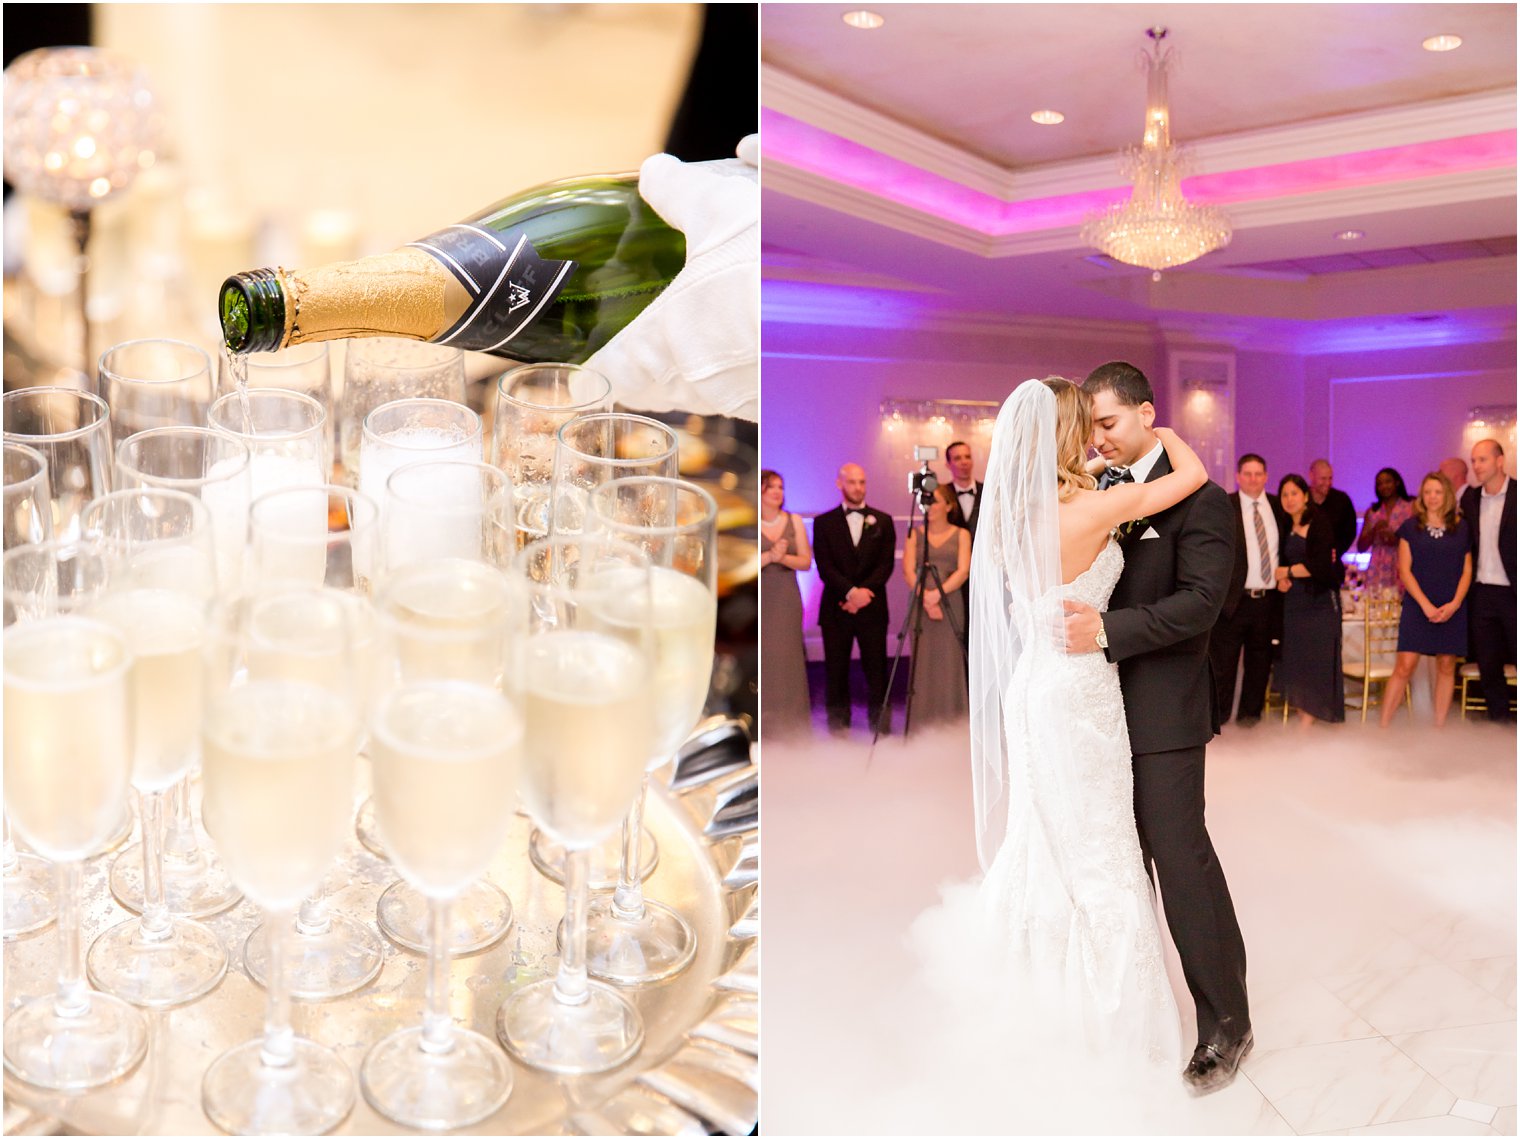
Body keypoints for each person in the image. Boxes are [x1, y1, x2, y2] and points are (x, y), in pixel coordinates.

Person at [1061, 361, 1251, 1093]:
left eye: (1108, 423)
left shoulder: (1203, 499)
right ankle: (1133, 1014)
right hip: (1096, 714)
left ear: (1145, 413)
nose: (1100, 439)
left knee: (1180, 860)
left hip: (1165, 710)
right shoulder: (1095, 491)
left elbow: (1203, 604)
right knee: (1116, 867)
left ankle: (1226, 1021)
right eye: (1091, 428)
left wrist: (1106, 629)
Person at [1381, 473, 1473, 727]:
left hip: (1452, 606)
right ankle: (1383, 728)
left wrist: (1454, 604)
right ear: (1422, 496)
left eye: (1438, 492)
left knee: (1446, 665)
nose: (1432, 497)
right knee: (1404, 665)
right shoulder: (1411, 527)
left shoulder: (1461, 527)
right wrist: (1425, 605)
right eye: (1428, 492)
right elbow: (1404, 570)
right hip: (1417, 605)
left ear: (1447, 495)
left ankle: (1438, 728)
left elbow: (1467, 570)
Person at [812, 463, 896, 736]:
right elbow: (825, 568)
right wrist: (850, 593)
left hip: (872, 609)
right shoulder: (823, 522)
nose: (858, 488)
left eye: (862, 482)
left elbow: (885, 566)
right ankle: (838, 727)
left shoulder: (882, 520)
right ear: (840, 484)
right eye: (852, 482)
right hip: (837, 608)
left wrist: (863, 595)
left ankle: (880, 727)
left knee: (877, 670)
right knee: (836, 671)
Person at [1208, 453, 1287, 728]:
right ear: (1238, 477)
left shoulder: (1279, 507)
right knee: (1223, 664)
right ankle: (1219, 720)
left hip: (1267, 601)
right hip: (1233, 601)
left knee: (1260, 663)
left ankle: (1250, 720)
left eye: (1258, 474)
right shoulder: (1224, 505)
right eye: (1248, 474)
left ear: (1266, 477)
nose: (1253, 479)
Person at [1274, 474, 1346, 724]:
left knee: (1319, 660)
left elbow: (1321, 565)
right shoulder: (1284, 524)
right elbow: (1281, 563)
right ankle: (1305, 717)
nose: (1289, 499)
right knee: (1298, 660)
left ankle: (1311, 721)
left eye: (1294, 493)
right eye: (1284, 494)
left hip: (1320, 603)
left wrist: (1288, 572)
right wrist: (1282, 578)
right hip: (1294, 603)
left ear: (1305, 496)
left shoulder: (1319, 521)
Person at [902, 483, 970, 731]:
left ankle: (953, 720)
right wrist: (926, 597)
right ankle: (922, 721)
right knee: (923, 659)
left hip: (950, 600)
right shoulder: (915, 534)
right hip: (920, 602)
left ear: (949, 506)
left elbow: (964, 570)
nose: (930, 506)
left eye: (936, 501)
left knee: (949, 659)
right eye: (927, 501)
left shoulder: (961, 534)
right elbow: (908, 571)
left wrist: (938, 595)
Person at [1460, 439, 1516, 723]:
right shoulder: (1469, 499)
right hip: (1481, 593)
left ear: (1499, 461)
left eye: (1482, 460)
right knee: (1488, 663)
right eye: (1473, 461)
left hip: (1513, 591)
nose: (1476, 466)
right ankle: (1501, 725)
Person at [759, 469, 814, 739]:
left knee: (789, 656)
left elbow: (805, 561)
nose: (778, 492)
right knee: (765, 657)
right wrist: (769, 556)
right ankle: (764, 722)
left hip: (786, 596)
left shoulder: (794, 520)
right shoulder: (750, 520)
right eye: (771, 487)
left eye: (781, 487)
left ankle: (793, 723)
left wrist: (781, 558)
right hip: (761, 597)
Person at [1355, 467, 1415, 596]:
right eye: (1379, 484)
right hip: (1378, 566)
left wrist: (1397, 539)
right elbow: (1360, 547)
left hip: (1403, 562)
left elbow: (1419, 539)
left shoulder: (1411, 507)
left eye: (1388, 482)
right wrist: (1375, 530)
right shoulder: (1373, 512)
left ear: (1397, 483)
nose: (1383, 486)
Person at [1308, 459, 1357, 560]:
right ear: (1311, 476)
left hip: (1333, 564)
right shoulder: (1301, 500)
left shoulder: (1342, 500)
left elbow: (1350, 532)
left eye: (1330, 478)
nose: (1328, 483)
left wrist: (1336, 552)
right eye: (1323, 479)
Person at [944, 441, 983, 540]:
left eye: (967, 457)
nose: (964, 462)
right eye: (957, 458)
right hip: (953, 553)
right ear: (948, 465)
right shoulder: (942, 494)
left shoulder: (987, 491)